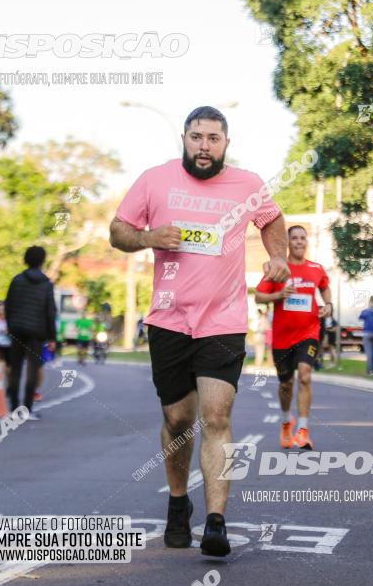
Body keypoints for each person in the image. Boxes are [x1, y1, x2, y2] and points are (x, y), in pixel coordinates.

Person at [109, 105, 289, 557]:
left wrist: (280, 257)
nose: (203, 146)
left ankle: (216, 522)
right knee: (178, 419)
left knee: (216, 416)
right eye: (195, 137)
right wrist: (150, 238)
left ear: (226, 142)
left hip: (223, 320)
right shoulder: (155, 179)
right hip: (168, 319)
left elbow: (272, 220)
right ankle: (177, 503)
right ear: (184, 139)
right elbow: (118, 230)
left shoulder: (248, 184)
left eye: (212, 138)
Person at [255, 225, 331, 450]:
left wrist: (328, 304)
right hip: (282, 337)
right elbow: (259, 296)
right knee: (286, 384)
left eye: (302, 238)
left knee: (305, 375)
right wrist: (279, 295)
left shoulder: (316, 269)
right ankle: (287, 422)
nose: (299, 242)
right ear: (288, 243)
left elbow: (325, 288)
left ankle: (304, 431)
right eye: (295, 238)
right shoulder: (279, 269)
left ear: (307, 242)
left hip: (309, 332)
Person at [5, 246, 57, 420]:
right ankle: (27, 409)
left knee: (15, 369)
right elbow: (50, 312)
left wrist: (10, 326)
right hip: (36, 333)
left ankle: (13, 408)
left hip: (17, 331)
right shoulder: (46, 284)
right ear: (42, 261)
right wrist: (52, 337)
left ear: (25, 259)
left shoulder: (16, 280)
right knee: (32, 371)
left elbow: (8, 305)